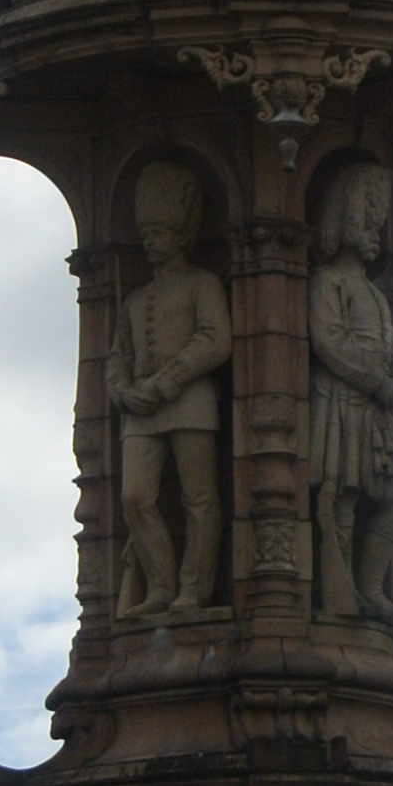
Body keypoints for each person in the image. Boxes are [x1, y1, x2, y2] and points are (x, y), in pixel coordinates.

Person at [108, 162, 231, 616]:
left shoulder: (202, 283)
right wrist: (122, 391)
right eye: (146, 233)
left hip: (189, 400)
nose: (149, 241)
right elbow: (118, 356)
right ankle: (159, 587)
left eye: (158, 232)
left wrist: (170, 379)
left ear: (181, 236)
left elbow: (216, 339)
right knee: (135, 498)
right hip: (140, 408)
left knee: (199, 499)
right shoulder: (134, 299)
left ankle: (194, 589)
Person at [307, 160, 393, 622]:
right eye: (368, 222)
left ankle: (371, 587)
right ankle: (343, 590)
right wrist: (375, 379)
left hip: (375, 407)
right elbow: (328, 340)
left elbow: (392, 344)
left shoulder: (372, 292)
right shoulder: (328, 282)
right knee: (342, 498)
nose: (376, 233)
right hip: (342, 402)